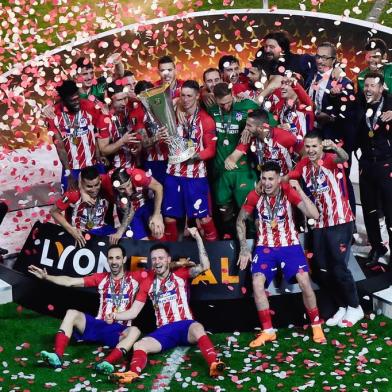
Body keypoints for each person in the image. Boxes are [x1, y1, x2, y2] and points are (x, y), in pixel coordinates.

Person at [106, 227, 225, 384]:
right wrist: (115, 315)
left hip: (185, 327)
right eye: (154, 259)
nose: (157, 262)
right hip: (165, 331)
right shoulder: (148, 283)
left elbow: (205, 266)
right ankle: (131, 374)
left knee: (198, 327)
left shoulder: (181, 274)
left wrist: (198, 238)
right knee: (140, 344)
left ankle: (214, 363)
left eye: (161, 258)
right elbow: (133, 312)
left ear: (168, 260)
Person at [237, 161, 325, 346]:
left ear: (278, 179)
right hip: (264, 248)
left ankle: (316, 324)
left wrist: (299, 191)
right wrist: (244, 248)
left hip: (290, 246)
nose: (267, 183)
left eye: (271, 179)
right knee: (257, 284)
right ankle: (268, 331)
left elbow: (314, 215)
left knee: (304, 282)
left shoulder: (288, 193)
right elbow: (240, 221)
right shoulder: (255, 195)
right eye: (263, 178)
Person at [27, 244, 142, 374]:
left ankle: (106, 363)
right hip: (99, 324)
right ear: (107, 260)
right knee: (72, 313)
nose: (114, 262)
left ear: (124, 259)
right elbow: (70, 281)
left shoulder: (136, 278)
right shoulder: (101, 277)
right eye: (111, 258)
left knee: (135, 331)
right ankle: (57, 357)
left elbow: (161, 271)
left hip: (119, 330)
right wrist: (46, 277)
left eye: (117, 258)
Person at [288, 131, 364, 327]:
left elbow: (345, 157)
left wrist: (336, 147)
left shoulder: (331, 159)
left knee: (338, 267)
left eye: (315, 146)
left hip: (340, 221)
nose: (311, 150)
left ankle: (356, 307)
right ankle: (342, 305)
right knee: (321, 269)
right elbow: (288, 178)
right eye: (308, 146)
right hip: (320, 223)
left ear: (322, 146)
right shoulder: (304, 165)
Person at [162, 80, 218, 242]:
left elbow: (210, 151)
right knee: (169, 218)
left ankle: (214, 252)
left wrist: (191, 155)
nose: (185, 99)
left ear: (197, 96)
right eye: (182, 95)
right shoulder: (173, 115)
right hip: (173, 174)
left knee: (204, 219)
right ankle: (169, 255)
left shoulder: (206, 120)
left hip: (196, 176)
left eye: (189, 96)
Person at [207, 82, 259, 239]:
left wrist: (250, 130)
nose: (227, 106)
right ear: (215, 99)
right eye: (222, 103)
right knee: (224, 213)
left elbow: (265, 123)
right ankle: (231, 245)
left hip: (242, 170)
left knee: (248, 211)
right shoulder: (211, 109)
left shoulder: (246, 105)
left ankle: (253, 244)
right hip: (220, 171)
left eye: (229, 102)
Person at [355, 72, 392, 268]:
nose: (368, 89)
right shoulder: (360, 103)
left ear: (381, 88)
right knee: (369, 209)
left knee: (390, 209)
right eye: (366, 85)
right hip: (367, 163)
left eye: (372, 86)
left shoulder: (391, 103)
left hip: (387, 163)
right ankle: (377, 247)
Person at [45, 80, 108, 191]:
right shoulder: (53, 115)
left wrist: (100, 153)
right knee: (72, 199)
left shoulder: (89, 106)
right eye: (72, 101)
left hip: (94, 164)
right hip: (72, 168)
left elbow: (97, 130)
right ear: (63, 101)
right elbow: (60, 147)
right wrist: (69, 174)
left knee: (105, 194)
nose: (77, 102)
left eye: (77, 98)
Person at [50, 166, 115, 247]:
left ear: (100, 180)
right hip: (80, 232)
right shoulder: (73, 194)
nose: (94, 189)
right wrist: (72, 231)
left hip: (101, 230)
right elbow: (53, 212)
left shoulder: (106, 189)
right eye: (89, 186)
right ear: (82, 184)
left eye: (96, 185)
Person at [109, 166, 165, 243]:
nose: (128, 191)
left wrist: (157, 214)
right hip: (133, 210)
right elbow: (129, 211)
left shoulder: (138, 175)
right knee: (142, 243)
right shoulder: (113, 189)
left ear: (131, 179)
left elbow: (159, 187)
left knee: (157, 229)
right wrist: (120, 232)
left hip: (148, 203)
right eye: (122, 189)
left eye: (128, 185)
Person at [97, 83, 142, 169]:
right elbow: (103, 151)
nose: (124, 103)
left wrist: (138, 148)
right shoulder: (104, 120)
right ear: (110, 100)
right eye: (119, 100)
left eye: (125, 98)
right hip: (116, 169)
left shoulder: (128, 111)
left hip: (135, 166)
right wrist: (122, 141)